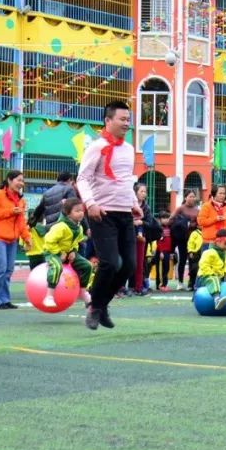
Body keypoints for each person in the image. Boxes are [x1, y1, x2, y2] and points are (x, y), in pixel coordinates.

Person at [76, 100, 144, 330]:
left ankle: (101, 305)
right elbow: (82, 179)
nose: (127, 123)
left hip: (125, 214)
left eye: (128, 120)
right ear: (108, 120)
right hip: (102, 214)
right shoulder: (96, 147)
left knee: (129, 266)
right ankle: (95, 307)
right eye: (122, 119)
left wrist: (134, 202)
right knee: (110, 262)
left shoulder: (129, 149)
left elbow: (126, 180)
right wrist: (90, 204)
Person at [0, 171, 33, 310]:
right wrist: (11, 211)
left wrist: (27, 237)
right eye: (19, 180)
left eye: (22, 181)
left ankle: (4, 299)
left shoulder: (21, 200)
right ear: (9, 180)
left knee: (8, 270)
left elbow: (21, 222)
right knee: (0, 269)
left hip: (12, 239)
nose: (21, 183)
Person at [41, 198, 94, 309]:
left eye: (82, 210)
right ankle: (49, 296)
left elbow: (76, 242)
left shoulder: (78, 227)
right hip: (52, 252)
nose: (81, 213)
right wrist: (59, 253)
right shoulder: (60, 226)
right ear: (68, 214)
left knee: (87, 266)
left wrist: (73, 251)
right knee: (56, 266)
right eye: (77, 211)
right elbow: (48, 241)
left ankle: (83, 292)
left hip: (68, 252)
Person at [170, 189, 200, 289]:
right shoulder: (180, 209)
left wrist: (194, 224)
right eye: (190, 196)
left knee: (194, 260)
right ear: (185, 197)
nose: (192, 198)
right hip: (182, 238)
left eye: (193, 196)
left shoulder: (197, 209)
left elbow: (201, 222)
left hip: (194, 238)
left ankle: (192, 283)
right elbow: (171, 219)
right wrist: (181, 223)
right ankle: (180, 282)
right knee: (182, 259)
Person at [154, 211, 173, 292]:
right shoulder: (159, 228)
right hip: (161, 251)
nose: (166, 220)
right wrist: (161, 251)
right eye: (164, 218)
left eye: (167, 218)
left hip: (168, 251)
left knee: (166, 268)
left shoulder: (169, 228)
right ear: (160, 219)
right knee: (160, 268)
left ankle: (164, 284)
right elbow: (159, 241)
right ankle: (160, 284)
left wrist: (172, 252)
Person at [186, 220, 203, 290]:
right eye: (200, 224)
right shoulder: (194, 233)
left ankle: (200, 284)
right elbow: (190, 243)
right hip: (195, 254)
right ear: (197, 225)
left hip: (203, 253)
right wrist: (190, 251)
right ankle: (191, 284)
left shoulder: (207, 233)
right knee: (193, 269)